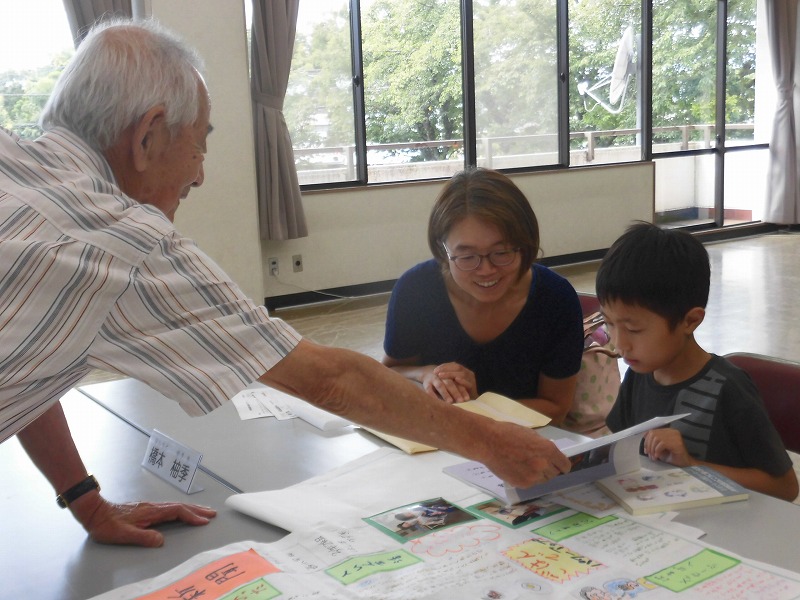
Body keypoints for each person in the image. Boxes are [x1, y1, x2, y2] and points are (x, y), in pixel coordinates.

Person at [0, 19, 572, 548]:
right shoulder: (123, 240)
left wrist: (87, 502)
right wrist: (493, 443)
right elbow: (331, 382)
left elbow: (36, 362)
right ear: (149, 134)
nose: (199, 171)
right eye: (200, 142)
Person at [596, 222, 798, 501]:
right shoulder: (640, 373)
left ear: (690, 320)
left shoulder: (729, 388)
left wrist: (693, 465)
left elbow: (784, 488)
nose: (619, 343)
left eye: (633, 330)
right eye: (609, 324)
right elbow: (620, 451)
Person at [382, 167, 584, 423]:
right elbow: (389, 374)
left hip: (523, 442)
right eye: (467, 257)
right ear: (443, 250)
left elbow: (555, 408)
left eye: (502, 253)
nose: (486, 270)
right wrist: (426, 374)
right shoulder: (417, 289)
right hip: (438, 439)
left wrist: (481, 407)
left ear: (526, 244)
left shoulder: (555, 299)